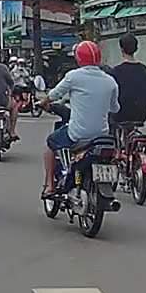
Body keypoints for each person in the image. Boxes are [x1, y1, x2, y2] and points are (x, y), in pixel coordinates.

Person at [41, 40, 119, 199]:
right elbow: (115, 108)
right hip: (102, 135)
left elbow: (54, 94)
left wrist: (44, 102)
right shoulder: (110, 81)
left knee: (50, 143)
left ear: (78, 59)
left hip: (78, 134)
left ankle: (50, 185)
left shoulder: (73, 76)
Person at [110, 33, 146, 137]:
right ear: (136, 48)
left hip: (120, 115)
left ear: (121, 49)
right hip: (141, 115)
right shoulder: (145, 71)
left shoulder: (115, 72)